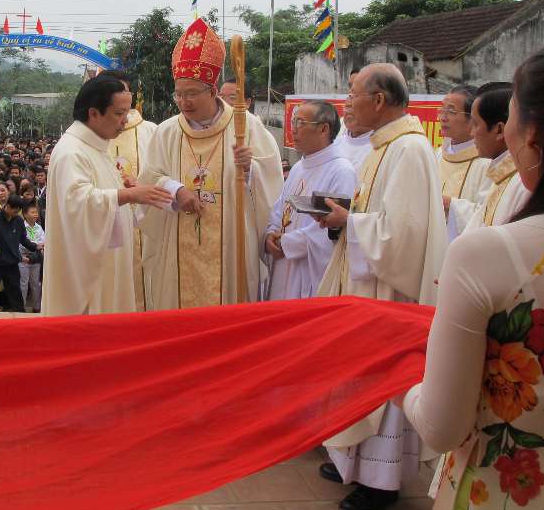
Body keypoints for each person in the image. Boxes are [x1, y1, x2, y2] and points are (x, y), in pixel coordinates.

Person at [402, 34, 544, 510]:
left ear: (531, 136)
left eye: (508, 114)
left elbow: (442, 427)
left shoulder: (487, 254)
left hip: (503, 503)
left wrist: (402, 383)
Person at [315, 63, 448, 510]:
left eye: (352, 93)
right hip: (368, 284)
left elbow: (402, 237)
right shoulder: (382, 147)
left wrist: (347, 221)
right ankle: (353, 459)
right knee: (359, 377)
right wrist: (346, 217)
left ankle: (381, 480)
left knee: (383, 385)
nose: (345, 103)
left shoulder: (409, 150)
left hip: (388, 292)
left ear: (378, 101)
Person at [138, 18, 284, 309]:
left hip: (231, 247)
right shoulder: (166, 132)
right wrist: (176, 190)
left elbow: (273, 183)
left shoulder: (247, 126)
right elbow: (149, 179)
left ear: (213, 89)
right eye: (178, 93)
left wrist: (250, 168)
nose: (183, 101)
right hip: (177, 244)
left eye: (192, 93)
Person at [42, 75, 171, 315]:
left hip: (108, 264)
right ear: (93, 113)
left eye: (127, 112)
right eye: (118, 114)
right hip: (88, 276)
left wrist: (127, 191)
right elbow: (78, 202)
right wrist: (128, 196)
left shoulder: (96, 146)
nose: (125, 122)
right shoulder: (72, 152)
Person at [262, 101, 356, 300]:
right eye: (293, 122)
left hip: (307, 268)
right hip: (283, 260)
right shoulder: (299, 167)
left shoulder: (341, 171)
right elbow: (281, 208)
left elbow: (330, 231)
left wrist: (287, 243)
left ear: (323, 128)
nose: (293, 130)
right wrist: (271, 233)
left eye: (300, 123)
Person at [446, 82, 528, 240]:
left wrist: (450, 205)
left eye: (476, 124)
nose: (472, 132)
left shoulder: (520, 181)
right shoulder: (502, 171)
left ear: (499, 130)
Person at [103, 74, 158, 311]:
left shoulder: (153, 132)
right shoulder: (91, 135)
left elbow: (164, 175)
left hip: (143, 227)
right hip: (104, 227)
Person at [0, 194, 42, 312]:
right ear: (8, 206)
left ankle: (20, 316)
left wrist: (35, 246)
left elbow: (23, 239)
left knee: (16, 292)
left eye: (18, 211)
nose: (17, 214)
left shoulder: (18, 220)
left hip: (12, 262)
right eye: (15, 211)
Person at [437, 84, 491, 214]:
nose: (442, 118)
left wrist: (449, 204)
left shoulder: (486, 162)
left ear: (473, 117)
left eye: (451, 111)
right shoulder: (437, 155)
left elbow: (487, 214)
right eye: (441, 110)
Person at [18, 202, 45, 312]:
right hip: (23, 258)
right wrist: (34, 245)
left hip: (36, 259)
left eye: (36, 212)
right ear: (25, 214)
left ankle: (37, 307)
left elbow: (43, 242)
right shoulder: (21, 227)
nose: (35, 214)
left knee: (36, 284)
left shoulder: (39, 228)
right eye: (32, 212)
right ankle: (22, 306)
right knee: (23, 283)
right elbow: (21, 244)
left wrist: (34, 245)